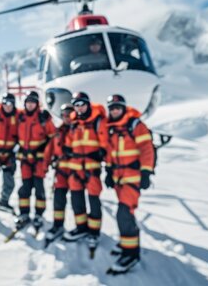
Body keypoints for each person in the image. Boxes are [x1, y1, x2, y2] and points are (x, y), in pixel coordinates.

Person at [104, 94, 155, 274]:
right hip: (119, 178)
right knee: (127, 213)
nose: (115, 110)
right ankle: (127, 243)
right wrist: (109, 171)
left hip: (132, 177)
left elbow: (147, 149)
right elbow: (110, 153)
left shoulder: (135, 125)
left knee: (123, 213)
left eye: (117, 107)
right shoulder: (111, 128)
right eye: (112, 108)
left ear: (124, 108)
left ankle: (131, 254)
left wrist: (146, 172)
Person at [62, 92, 108, 253]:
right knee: (76, 199)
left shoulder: (98, 121)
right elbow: (70, 141)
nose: (79, 107)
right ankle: (81, 227)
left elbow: (105, 144)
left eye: (82, 104)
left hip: (91, 168)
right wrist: (67, 149)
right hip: (75, 168)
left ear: (88, 104)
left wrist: (101, 154)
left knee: (94, 200)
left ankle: (94, 232)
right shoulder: (74, 122)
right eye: (77, 105)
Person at [15, 91, 55, 231]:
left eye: (33, 102)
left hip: (39, 161)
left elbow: (53, 137)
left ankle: (38, 215)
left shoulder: (43, 118)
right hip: (25, 160)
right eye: (28, 102)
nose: (30, 104)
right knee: (25, 188)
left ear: (37, 104)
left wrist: (46, 154)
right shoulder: (20, 117)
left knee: (39, 188)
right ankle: (24, 214)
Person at [43, 103, 75, 245]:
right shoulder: (58, 131)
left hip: (76, 173)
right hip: (61, 173)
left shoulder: (78, 129)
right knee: (58, 200)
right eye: (64, 114)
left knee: (77, 202)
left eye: (69, 114)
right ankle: (58, 224)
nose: (67, 117)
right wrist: (44, 167)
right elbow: (49, 150)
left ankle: (82, 228)